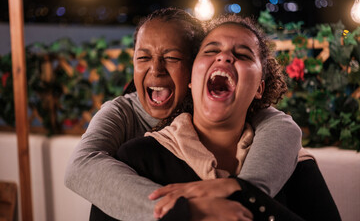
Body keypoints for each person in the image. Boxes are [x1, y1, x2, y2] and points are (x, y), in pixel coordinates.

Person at [92, 14, 340, 221]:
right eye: (211, 51)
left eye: (243, 55)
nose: (224, 57)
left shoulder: (293, 164)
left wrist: (244, 194)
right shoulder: (136, 160)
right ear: (191, 78)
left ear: (259, 89)